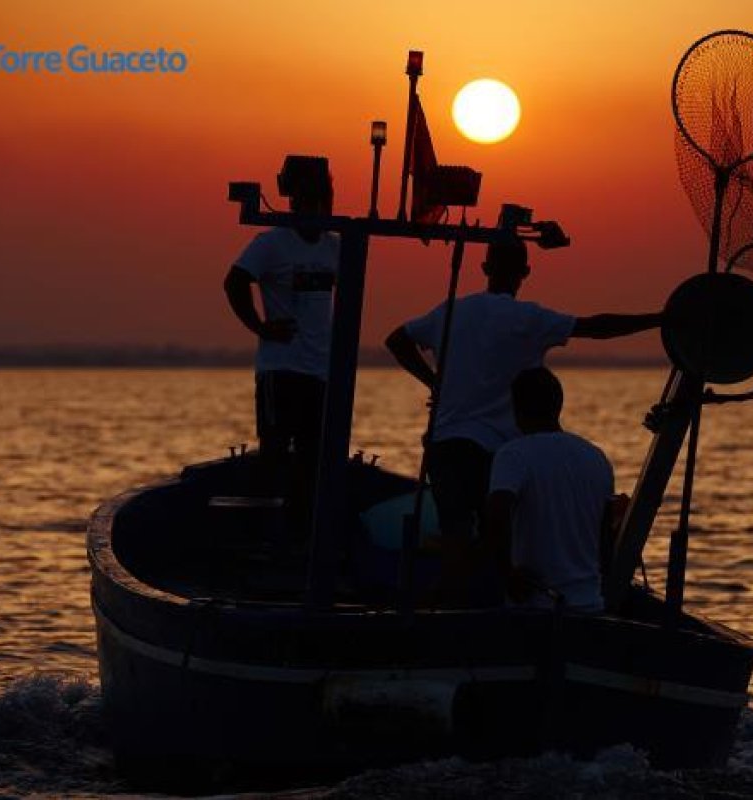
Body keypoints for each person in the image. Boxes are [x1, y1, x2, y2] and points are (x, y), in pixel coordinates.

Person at [385, 238, 661, 597]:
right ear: (525, 273)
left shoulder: (450, 311)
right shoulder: (532, 319)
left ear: (485, 268)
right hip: (500, 452)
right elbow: (595, 327)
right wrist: (659, 319)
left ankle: (444, 615)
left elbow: (396, 340)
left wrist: (433, 382)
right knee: (501, 543)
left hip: (448, 444)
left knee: (455, 538)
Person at [223, 155, 339, 529]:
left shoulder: (336, 245)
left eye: (319, 198)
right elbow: (235, 281)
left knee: (312, 456)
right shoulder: (272, 242)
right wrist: (259, 326)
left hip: (320, 371)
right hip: (281, 369)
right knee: (274, 451)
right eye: (306, 198)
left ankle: (302, 529)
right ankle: (265, 531)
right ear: (293, 200)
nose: (313, 206)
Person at [483, 366, 613, 611]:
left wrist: (507, 574)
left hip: (536, 608)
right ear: (558, 404)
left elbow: (496, 514)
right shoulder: (596, 457)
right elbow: (605, 536)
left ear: (516, 408)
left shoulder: (513, 454)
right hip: (591, 605)